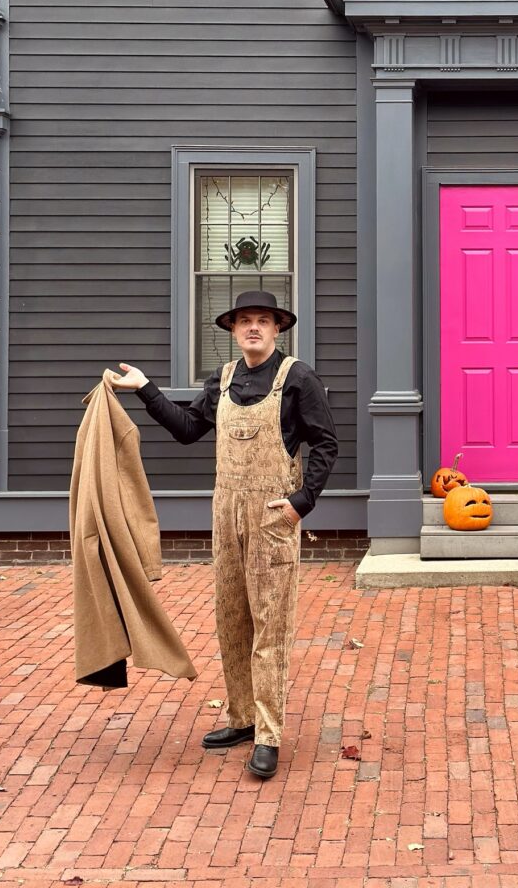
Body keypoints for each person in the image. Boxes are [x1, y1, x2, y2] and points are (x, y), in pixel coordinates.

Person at [110, 290, 338, 779]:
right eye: (244, 321)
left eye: (263, 321)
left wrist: (302, 502)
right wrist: (147, 388)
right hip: (226, 515)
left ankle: (269, 732)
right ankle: (242, 717)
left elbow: (325, 443)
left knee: (270, 626)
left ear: (278, 329)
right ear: (233, 330)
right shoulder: (225, 379)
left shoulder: (297, 378)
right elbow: (189, 429)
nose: (253, 328)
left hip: (273, 516)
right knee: (232, 621)